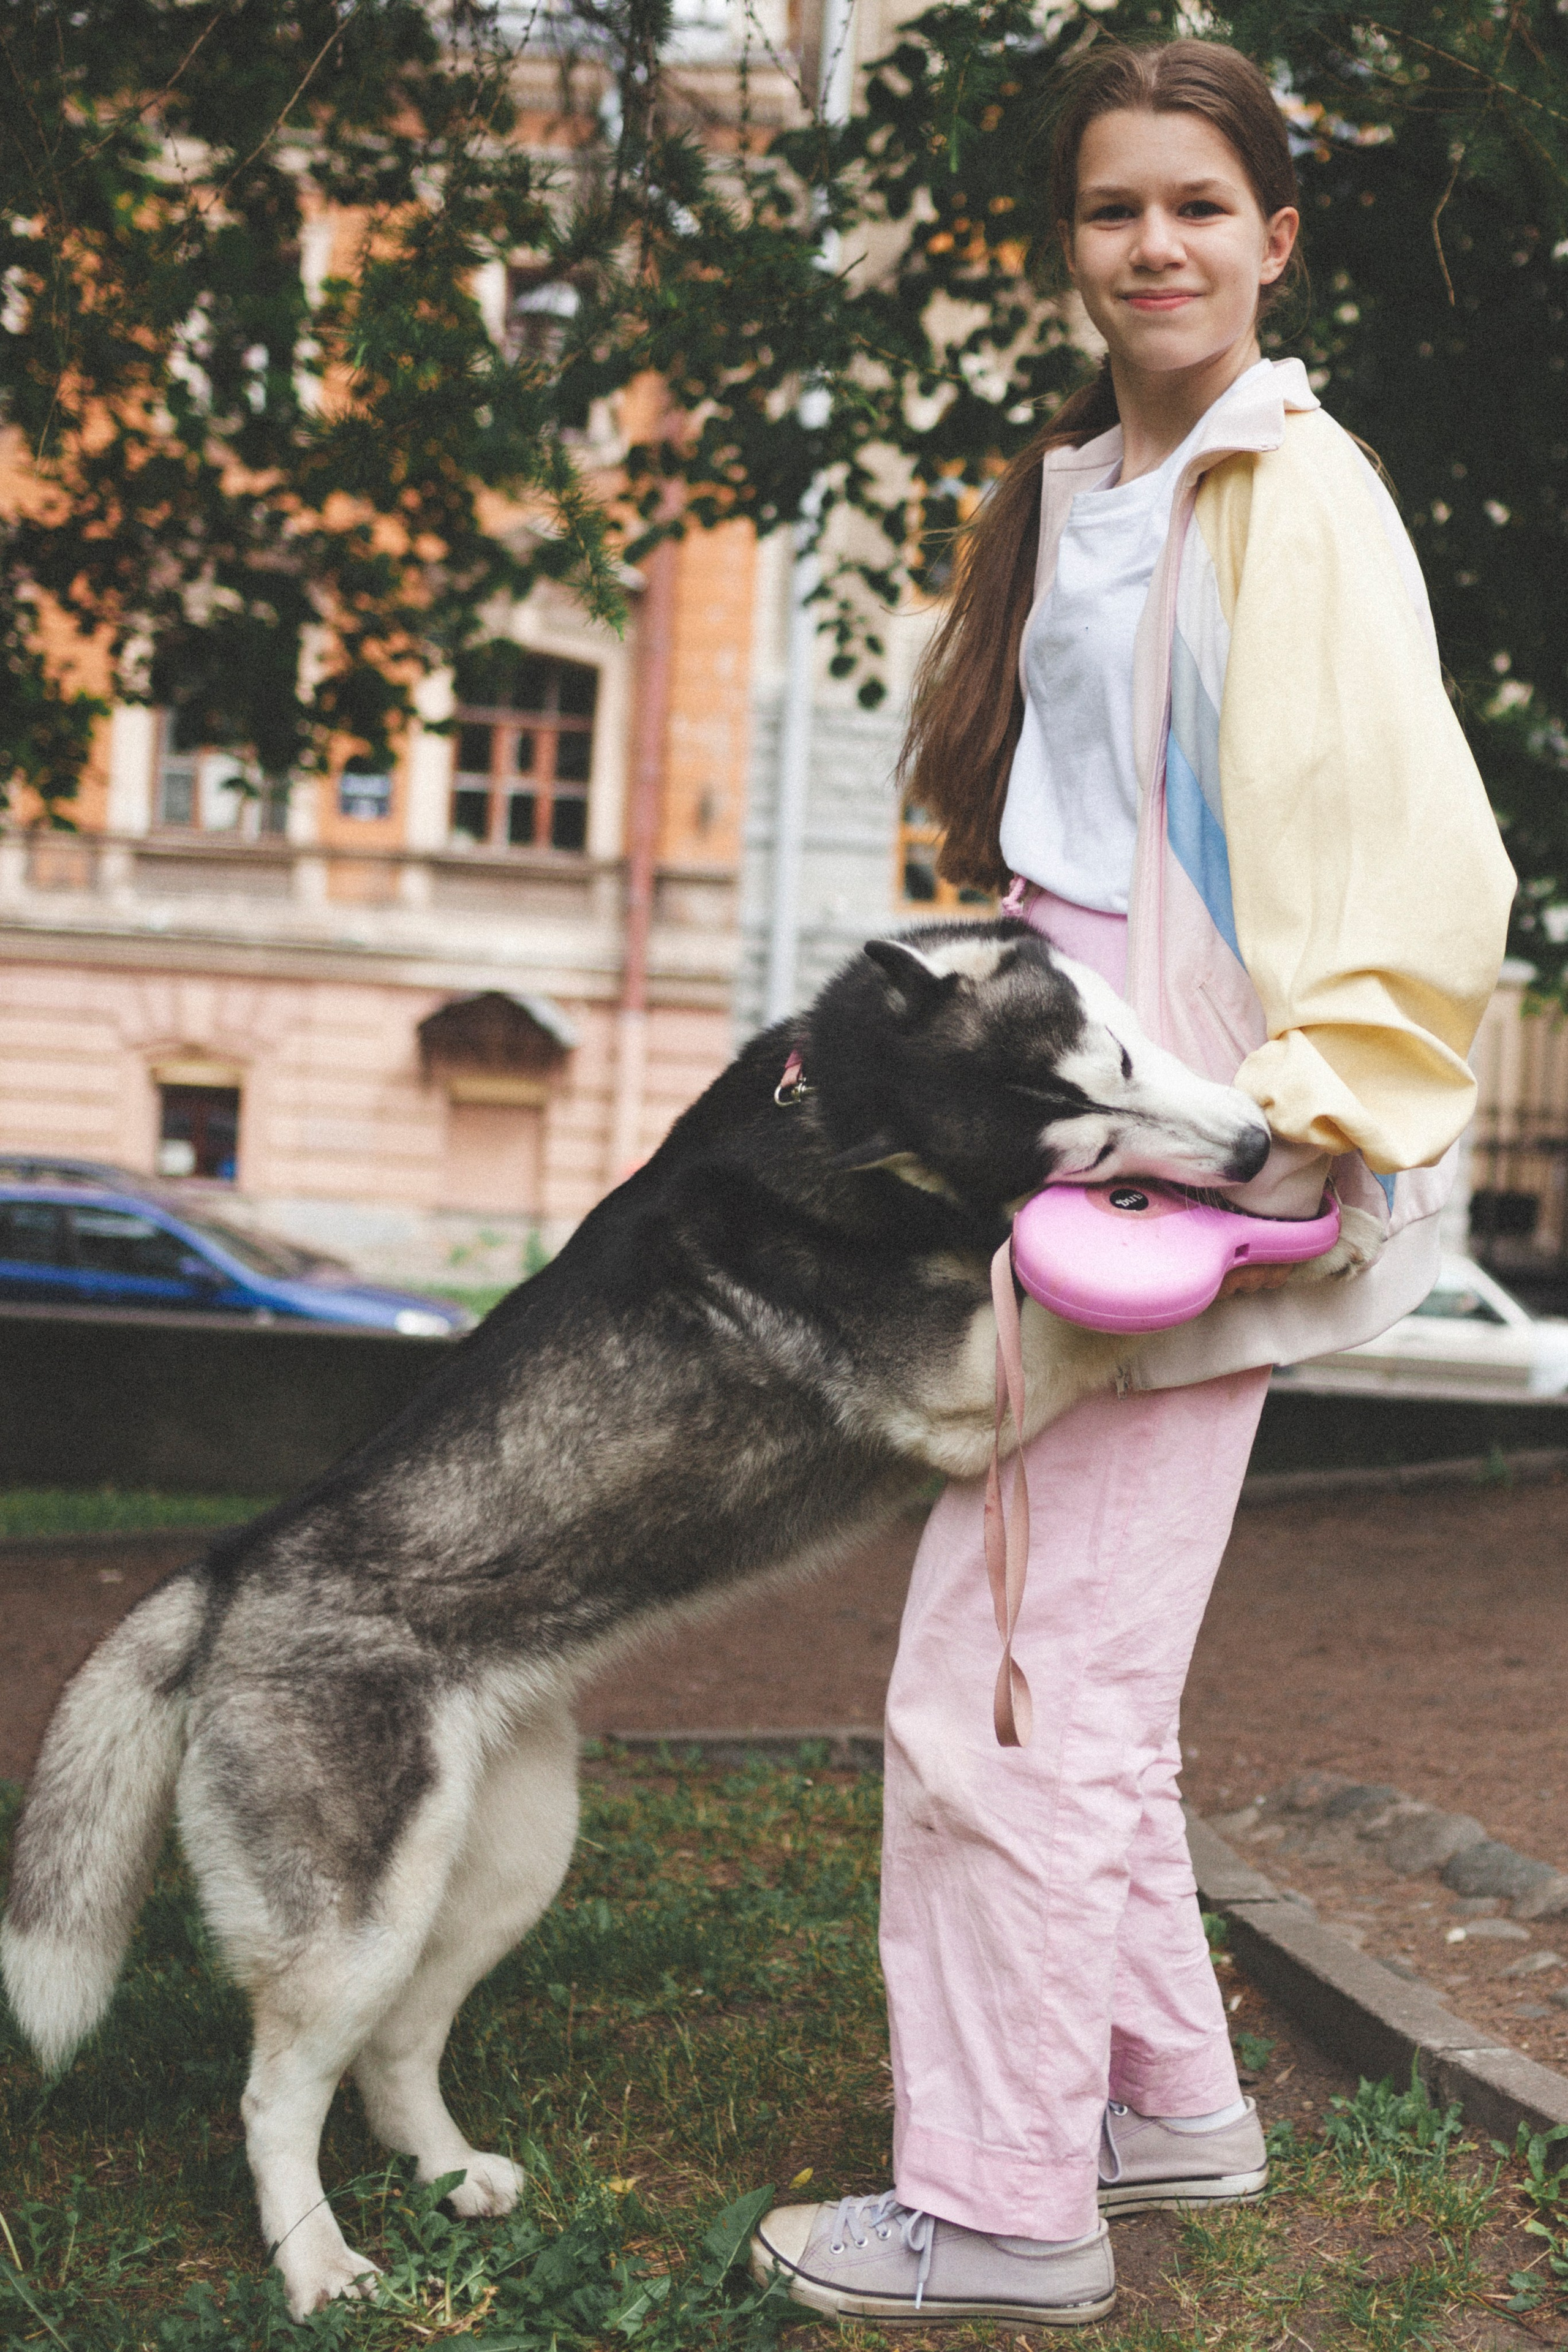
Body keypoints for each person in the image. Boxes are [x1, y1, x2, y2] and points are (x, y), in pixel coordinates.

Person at [751, 34, 1515, 2328]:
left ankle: (999, 2209)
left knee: (1001, 1676)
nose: (1155, 244)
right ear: (1070, 248)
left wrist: (1303, 1107)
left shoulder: (1305, 488)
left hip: (1195, 1133)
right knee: (1072, 1652)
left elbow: (1409, 826)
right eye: (1114, 208)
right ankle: (1166, 2106)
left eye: (1201, 204)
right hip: (1065, 1114)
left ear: (1276, 239)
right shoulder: (1073, 492)